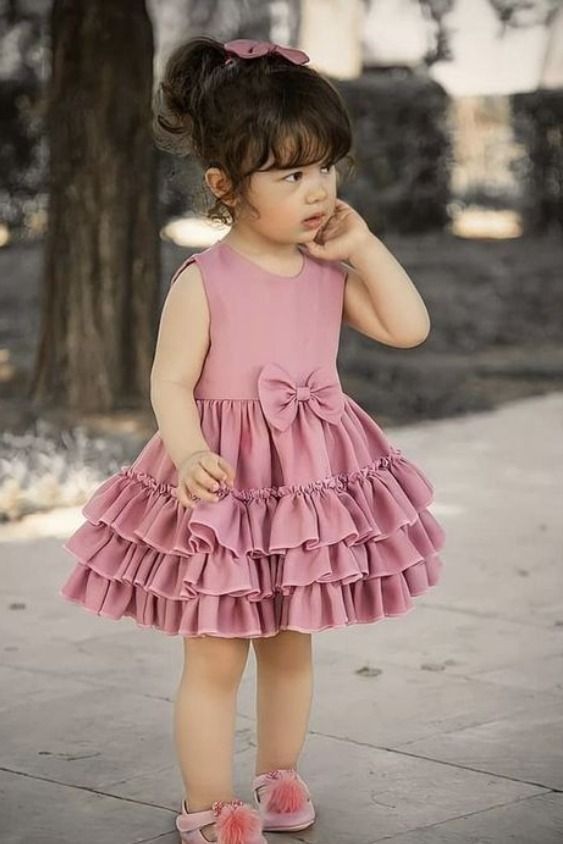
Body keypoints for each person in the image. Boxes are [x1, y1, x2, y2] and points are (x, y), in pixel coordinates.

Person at [59, 35, 446, 844]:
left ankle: (278, 773)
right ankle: (209, 802)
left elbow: (409, 328)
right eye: (290, 174)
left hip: (303, 490)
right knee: (214, 653)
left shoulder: (326, 270)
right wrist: (189, 452)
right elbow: (169, 382)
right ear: (225, 186)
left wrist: (363, 246)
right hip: (226, 488)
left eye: (325, 167)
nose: (318, 190)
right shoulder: (205, 281)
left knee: (289, 643)